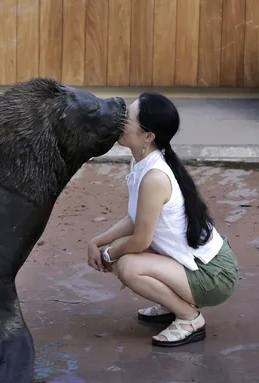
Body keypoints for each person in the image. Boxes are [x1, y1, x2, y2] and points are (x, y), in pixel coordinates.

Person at [87, 92, 239, 347]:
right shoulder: (144, 163)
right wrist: (96, 241)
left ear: (148, 136)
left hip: (213, 275)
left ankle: (189, 317)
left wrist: (108, 254)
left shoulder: (155, 177)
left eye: (128, 118)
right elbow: (136, 218)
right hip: (200, 264)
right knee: (127, 252)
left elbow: (140, 239)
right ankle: (173, 303)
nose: (120, 120)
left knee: (128, 265)